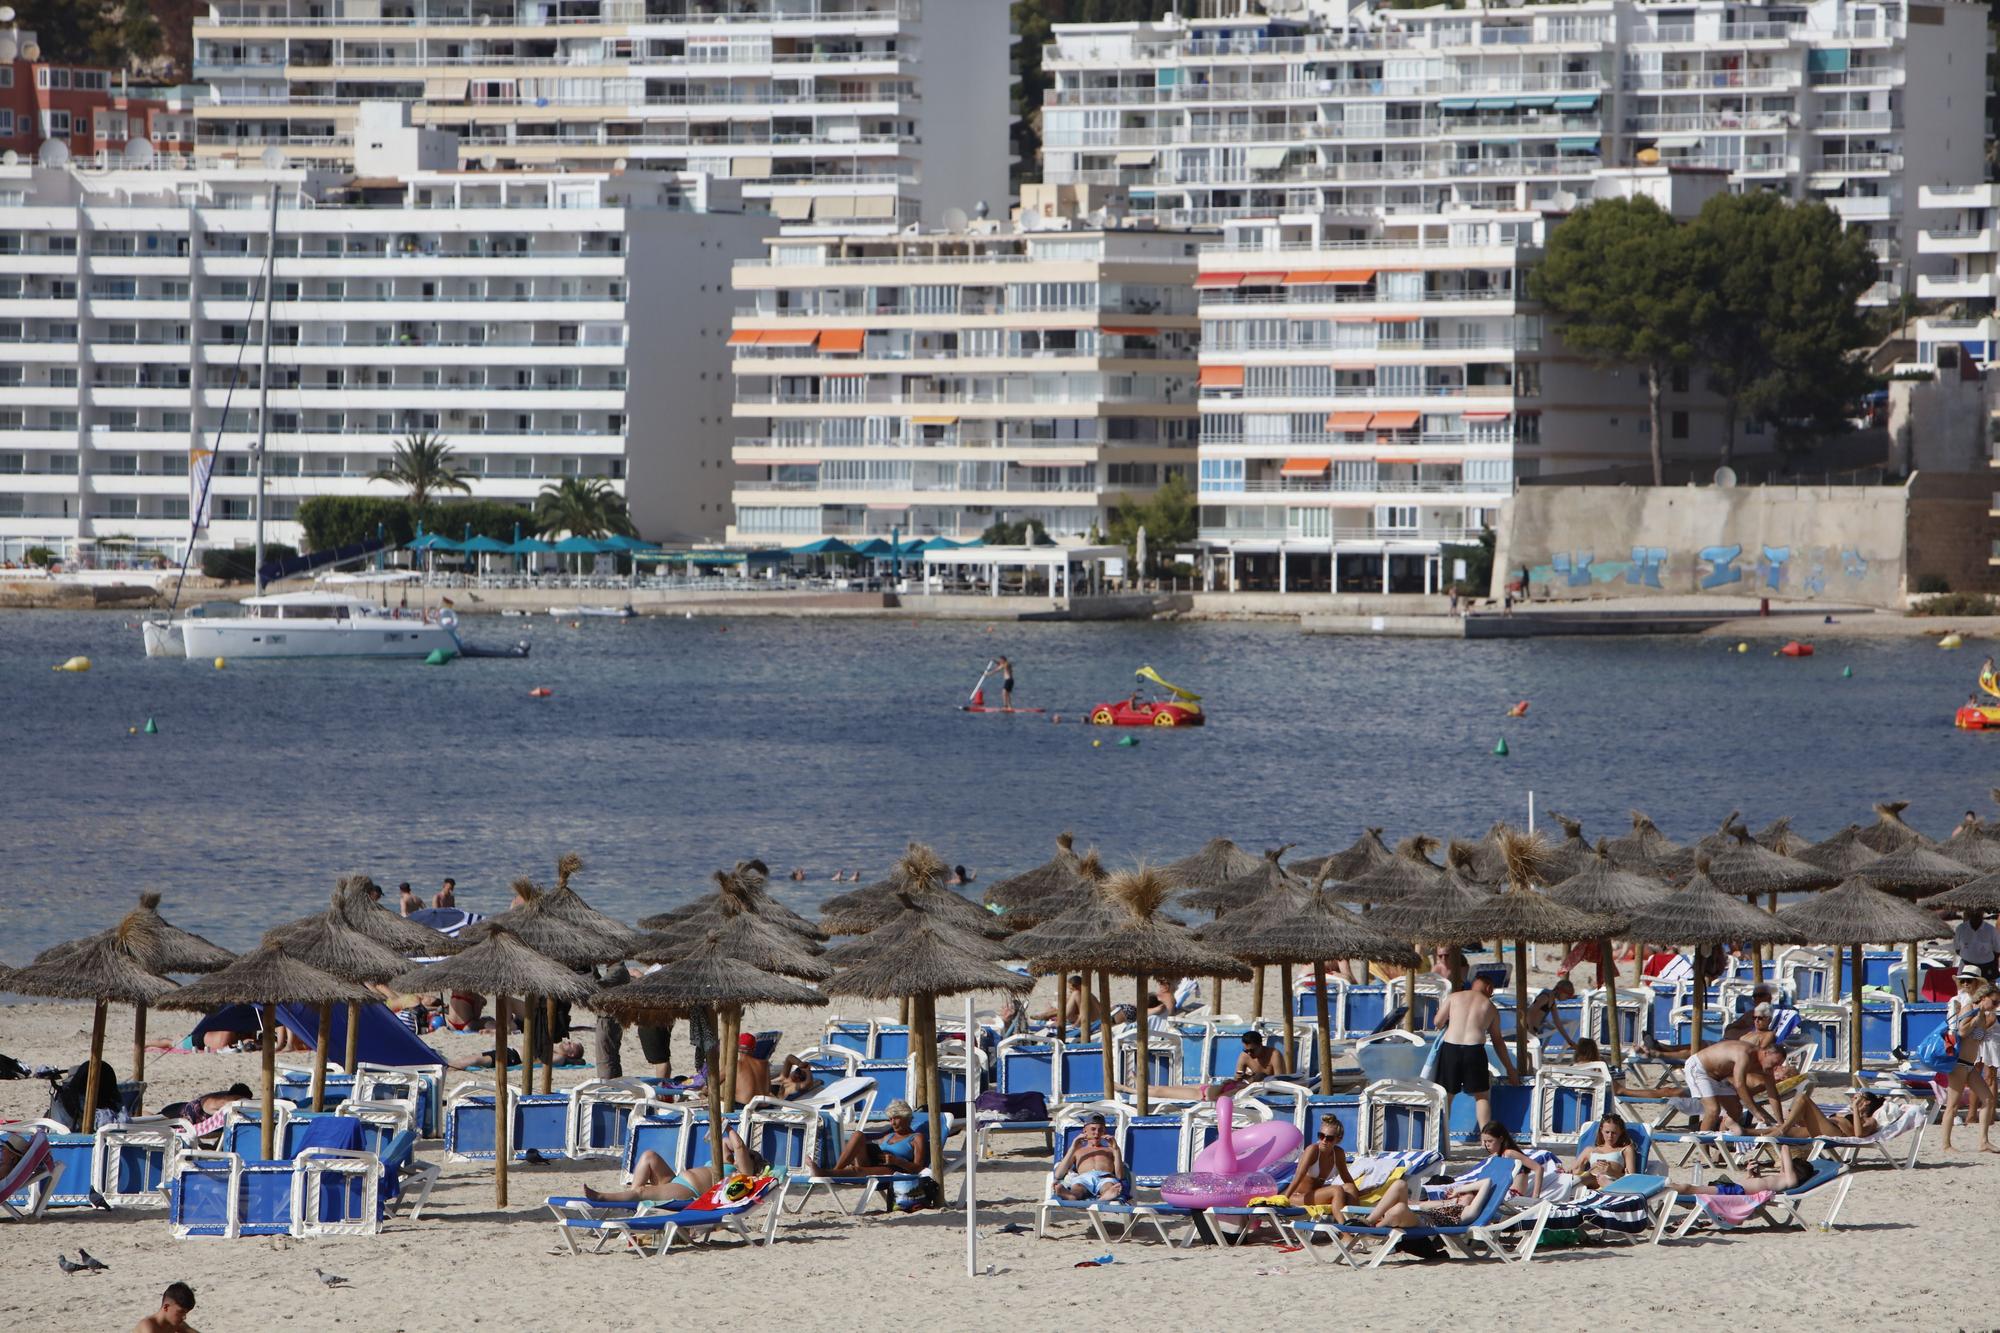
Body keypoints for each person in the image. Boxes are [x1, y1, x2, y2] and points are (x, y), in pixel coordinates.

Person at [582, 1125, 765, 1204]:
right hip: (675, 1180)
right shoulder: (725, 1162)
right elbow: (727, 1142)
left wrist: (729, 1128)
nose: (747, 1153)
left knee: (642, 1192)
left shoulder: (744, 1173)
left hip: (688, 1192)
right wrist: (722, 1131)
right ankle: (634, 1200)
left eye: (751, 1156)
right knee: (649, 1155)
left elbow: (739, 1145)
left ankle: (603, 1197)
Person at [1433, 973, 1518, 1133]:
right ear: (1489, 988)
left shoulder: (1454, 997)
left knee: (1447, 1096)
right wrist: (1510, 1068)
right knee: (1481, 1096)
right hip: (1474, 1050)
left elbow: (1438, 1022)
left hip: (1451, 1048)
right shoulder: (1490, 1007)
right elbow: (1498, 1041)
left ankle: (1441, 1138)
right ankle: (1486, 1139)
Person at [1683, 1037, 1787, 1133]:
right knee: (1713, 1110)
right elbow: (1739, 1084)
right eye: (1774, 1063)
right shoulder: (1745, 1054)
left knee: (1736, 1110)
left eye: (1778, 1065)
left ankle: (1721, 1145)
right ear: (1766, 1053)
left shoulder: (1767, 1067)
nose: (1775, 1067)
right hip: (1699, 1069)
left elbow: (1773, 1094)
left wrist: (1781, 1123)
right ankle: (1703, 1151)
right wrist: (1755, 1112)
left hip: (1719, 1077)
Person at [1941, 983, 1998, 1153]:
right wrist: (1974, 1019)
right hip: (1958, 1063)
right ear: (1983, 997)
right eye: (1994, 1002)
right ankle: (1946, 1145)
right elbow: (1962, 1032)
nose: (1996, 1006)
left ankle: (1984, 1141)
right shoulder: (1970, 1009)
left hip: (1969, 1065)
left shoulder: (1982, 1015)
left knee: (1987, 1099)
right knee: (1953, 1105)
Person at [825, 1099, 928, 1177]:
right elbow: (864, 1146)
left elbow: (919, 1168)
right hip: (872, 1163)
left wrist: (897, 1161)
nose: (892, 1123)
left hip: (892, 1170)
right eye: (890, 1119)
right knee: (858, 1135)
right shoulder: (888, 1136)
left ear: (906, 1117)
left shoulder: (916, 1138)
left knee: (858, 1170)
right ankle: (835, 1171)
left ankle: (829, 1174)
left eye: (896, 1118)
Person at [1288, 1113, 1361, 1208]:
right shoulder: (1313, 1150)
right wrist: (1284, 1198)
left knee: (1350, 1188)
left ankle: (1354, 1219)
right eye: (1321, 1136)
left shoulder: (1338, 1153)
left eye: (1329, 1138)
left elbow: (1346, 1177)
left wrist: (1358, 1192)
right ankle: (1342, 1222)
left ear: (1338, 1140)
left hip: (1317, 1194)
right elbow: (1298, 1176)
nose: (1324, 1140)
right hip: (1299, 1196)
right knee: (1336, 1190)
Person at [1756, 1089, 1883, 1142]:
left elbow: (1859, 1134)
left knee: (1802, 1097)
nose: (1854, 1097)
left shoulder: (1870, 1120)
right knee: (1772, 1130)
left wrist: (1855, 1108)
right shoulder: (1850, 1113)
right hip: (1823, 1127)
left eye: (1858, 1095)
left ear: (1867, 1102)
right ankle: (1744, 1132)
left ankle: (1783, 1128)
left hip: (1836, 1132)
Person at [1052, 1113, 1124, 1201]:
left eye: (1100, 1130)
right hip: (1084, 1178)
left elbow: (1120, 1176)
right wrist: (1073, 1147)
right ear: (1085, 1131)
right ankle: (1072, 1196)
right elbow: (1058, 1174)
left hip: (1105, 1178)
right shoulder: (1077, 1151)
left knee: (1108, 1186)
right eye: (1093, 1129)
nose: (1097, 1133)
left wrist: (1116, 1149)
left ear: (1104, 1132)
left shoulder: (1111, 1150)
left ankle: (1106, 1195)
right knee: (1078, 1188)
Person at [1568, 1113, 1638, 1191]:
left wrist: (1611, 1172)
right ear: (1601, 1130)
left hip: (1611, 1181)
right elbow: (1574, 1170)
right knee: (1587, 1176)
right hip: (1590, 1181)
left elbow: (1632, 1178)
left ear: (1621, 1132)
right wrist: (1567, 1171)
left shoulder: (1625, 1150)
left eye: (1614, 1133)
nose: (1610, 1136)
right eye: (1607, 1132)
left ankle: (1608, 1186)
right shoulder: (1590, 1150)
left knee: (1596, 1178)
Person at [156, 1084, 253, 1125]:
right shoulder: (219, 1101)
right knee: (153, 1119)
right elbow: (234, 1101)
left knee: (154, 1118)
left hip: (183, 1108)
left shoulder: (223, 1101)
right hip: (177, 1113)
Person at [1524, 977, 1577, 1049]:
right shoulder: (1545, 997)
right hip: (1528, 1030)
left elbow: (1557, 1023)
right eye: (1567, 996)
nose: (1566, 999)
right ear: (1560, 991)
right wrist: (1530, 1030)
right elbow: (1530, 1012)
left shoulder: (1552, 1002)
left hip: (1534, 1031)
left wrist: (1568, 1040)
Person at [1034, 975, 1101, 1031]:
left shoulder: (1078, 993)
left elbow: (1083, 1013)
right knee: (1052, 1008)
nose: (1070, 991)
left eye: (1071, 989)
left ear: (1079, 986)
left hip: (1090, 1022)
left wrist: (1075, 1025)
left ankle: (1047, 1015)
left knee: (1074, 994)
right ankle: (1047, 1015)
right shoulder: (1087, 994)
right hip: (1092, 1020)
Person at [134, 1282, 199, 1333]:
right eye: (180, 1312)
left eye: (185, 1313)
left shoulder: (175, 1323)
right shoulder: (147, 1326)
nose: (184, 1317)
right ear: (166, 1307)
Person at [1955, 909, 2000, 982]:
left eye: (1978, 914)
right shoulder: (1961, 929)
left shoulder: (1991, 930)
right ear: (1969, 915)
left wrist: (1984, 959)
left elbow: (1997, 950)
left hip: (1986, 968)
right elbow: (1957, 949)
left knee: (1987, 992)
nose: (1975, 916)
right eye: (1973, 913)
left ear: (1982, 914)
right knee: (1965, 992)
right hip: (1967, 967)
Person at [734, 1032, 770, 1105]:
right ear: (754, 1049)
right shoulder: (764, 1064)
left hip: (744, 1108)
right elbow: (768, 1090)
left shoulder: (735, 1065)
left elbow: (713, 1085)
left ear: (738, 1048)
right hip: (765, 1106)